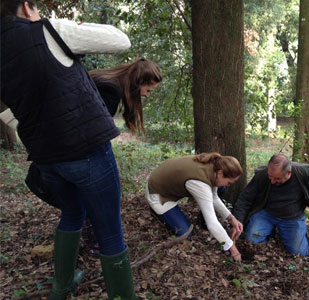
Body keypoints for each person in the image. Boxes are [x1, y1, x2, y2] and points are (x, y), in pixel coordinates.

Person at [1, 1, 137, 299]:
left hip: (46, 158)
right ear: (27, 6)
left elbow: (8, 110)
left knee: (72, 214)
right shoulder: (47, 30)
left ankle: (62, 285)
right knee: (111, 231)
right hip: (86, 148)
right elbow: (120, 40)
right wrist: (48, 23)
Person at [81, 58, 163, 256]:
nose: (147, 96)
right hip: (82, 148)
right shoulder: (110, 90)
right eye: (148, 90)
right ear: (138, 81)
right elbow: (96, 128)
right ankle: (105, 247)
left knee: (85, 199)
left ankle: (92, 240)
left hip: (77, 144)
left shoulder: (109, 80)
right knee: (106, 196)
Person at [146, 152, 244, 261]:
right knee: (185, 233)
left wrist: (232, 219)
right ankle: (158, 212)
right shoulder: (199, 182)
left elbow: (214, 197)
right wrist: (233, 249)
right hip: (159, 194)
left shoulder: (215, 166)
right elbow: (212, 224)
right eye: (229, 182)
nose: (228, 185)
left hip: (168, 183)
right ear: (220, 173)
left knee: (221, 188)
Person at [231, 154, 309, 256]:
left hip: (292, 217)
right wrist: (238, 220)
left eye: (277, 179)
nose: (272, 181)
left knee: (299, 253)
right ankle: (270, 232)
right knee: (252, 241)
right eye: (270, 177)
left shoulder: (302, 173)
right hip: (266, 214)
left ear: (289, 173)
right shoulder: (262, 174)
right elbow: (245, 198)